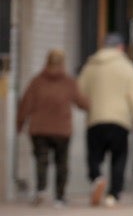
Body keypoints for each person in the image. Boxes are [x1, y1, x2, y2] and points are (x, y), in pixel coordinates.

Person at [77, 32, 133, 208]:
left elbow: (79, 91)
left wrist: (87, 106)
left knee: (94, 156)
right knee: (119, 158)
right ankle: (113, 195)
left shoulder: (90, 66)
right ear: (120, 48)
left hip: (95, 119)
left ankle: (97, 178)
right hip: (119, 121)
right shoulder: (127, 67)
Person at [16, 49, 88, 207]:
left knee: (41, 160)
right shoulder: (69, 82)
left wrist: (19, 124)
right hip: (62, 130)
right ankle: (59, 197)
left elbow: (25, 104)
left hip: (39, 128)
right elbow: (82, 103)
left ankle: (41, 190)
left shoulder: (37, 81)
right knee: (61, 163)